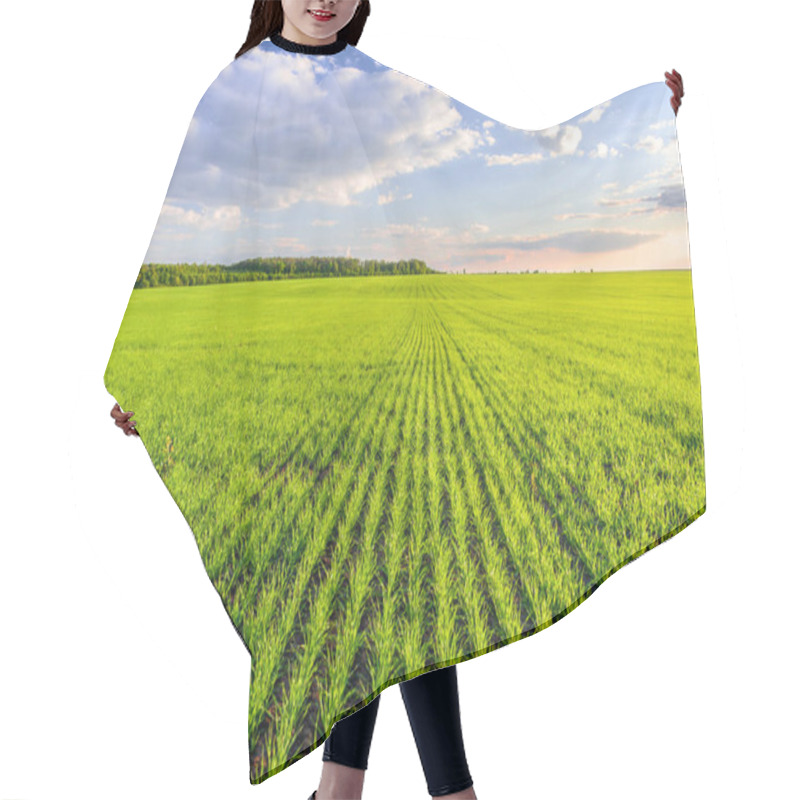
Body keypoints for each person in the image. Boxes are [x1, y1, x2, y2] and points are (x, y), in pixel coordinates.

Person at [110, 2, 685, 798]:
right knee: (354, 582)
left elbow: (497, 167)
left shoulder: (379, 87)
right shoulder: (236, 90)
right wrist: (154, 382)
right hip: (299, 401)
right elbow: (189, 241)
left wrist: (641, 127)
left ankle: (357, 790)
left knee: (404, 575)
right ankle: (415, 792)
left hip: (382, 373)